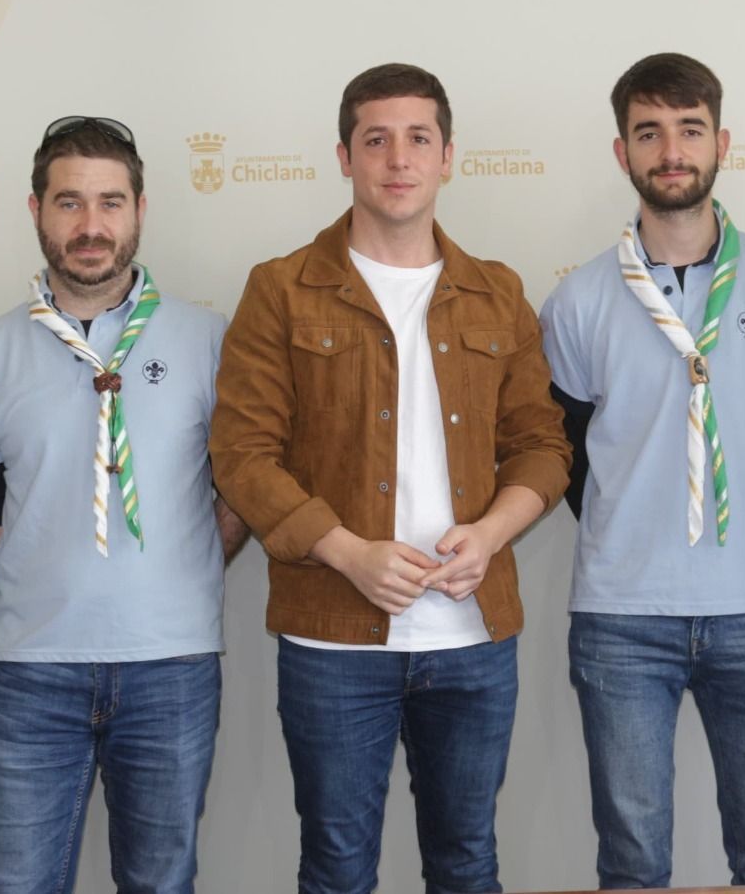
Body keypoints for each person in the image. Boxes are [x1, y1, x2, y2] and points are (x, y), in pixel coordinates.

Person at [209, 63, 571, 894]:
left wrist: (490, 534)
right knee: (337, 871)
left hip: (473, 639)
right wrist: (346, 552)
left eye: (418, 138)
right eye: (376, 139)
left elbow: (543, 446)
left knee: (467, 863)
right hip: (333, 640)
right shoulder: (280, 289)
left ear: (449, 157)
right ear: (345, 156)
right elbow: (242, 455)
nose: (397, 158)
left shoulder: (497, 292)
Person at [0, 116, 244, 894]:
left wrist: (194, 557)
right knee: (12, 883)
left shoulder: (211, 341)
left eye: (111, 202)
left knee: (160, 882)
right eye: (69, 203)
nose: (91, 225)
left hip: (170, 666)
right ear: (35, 210)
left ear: (142, 209)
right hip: (33, 671)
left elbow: (245, 480)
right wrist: (37, 564)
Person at [538, 53, 745, 889]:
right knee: (632, 866)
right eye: (649, 132)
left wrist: (726, 522)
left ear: (721, 142)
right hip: (622, 619)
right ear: (622, 151)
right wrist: (643, 519)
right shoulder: (581, 299)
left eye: (689, 129)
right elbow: (570, 454)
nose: (671, 149)